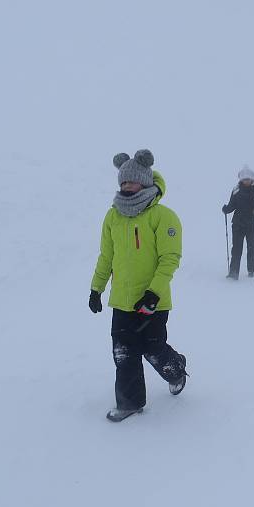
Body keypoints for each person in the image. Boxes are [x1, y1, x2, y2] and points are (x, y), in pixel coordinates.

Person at [89, 149, 188, 422]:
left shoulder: (163, 216)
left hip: (151, 301)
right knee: (123, 353)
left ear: (144, 180)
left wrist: (154, 293)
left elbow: (170, 258)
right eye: (122, 182)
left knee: (154, 349)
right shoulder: (113, 217)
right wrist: (96, 288)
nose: (126, 186)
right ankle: (130, 402)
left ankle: (176, 368)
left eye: (131, 181)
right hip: (122, 300)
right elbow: (106, 256)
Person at [222, 165, 254, 279]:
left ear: (252, 179)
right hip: (238, 223)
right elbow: (232, 205)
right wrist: (226, 209)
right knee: (236, 248)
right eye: (244, 179)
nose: (246, 181)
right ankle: (233, 272)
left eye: (248, 179)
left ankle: (252, 270)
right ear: (241, 179)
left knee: (252, 247)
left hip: (253, 223)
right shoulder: (236, 191)